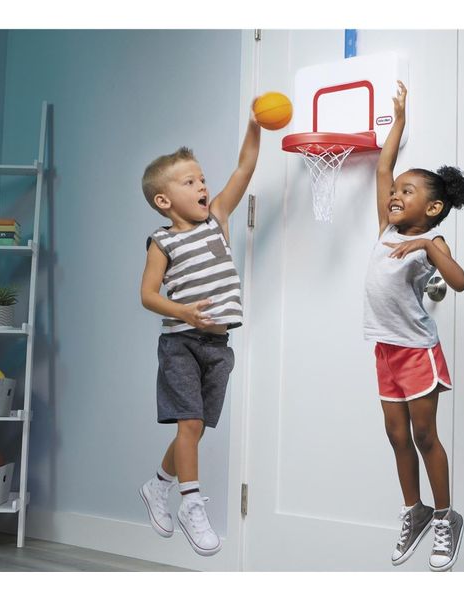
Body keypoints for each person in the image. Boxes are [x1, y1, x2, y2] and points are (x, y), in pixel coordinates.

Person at [138, 107, 260, 556]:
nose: (202, 186)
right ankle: (192, 504)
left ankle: (158, 485)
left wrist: (255, 126)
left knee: (194, 430)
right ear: (164, 201)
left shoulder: (217, 219)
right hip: (181, 344)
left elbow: (244, 167)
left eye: (202, 179)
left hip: (219, 346)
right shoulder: (162, 241)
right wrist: (185, 313)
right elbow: (148, 295)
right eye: (189, 182)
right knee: (188, 424)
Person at [364, 81, 464, 571]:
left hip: (417, 352)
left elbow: (459, 281)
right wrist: (399, 122)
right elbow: (382, 168)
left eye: (407, 192)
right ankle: (416, 510)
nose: (394, 194)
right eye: (395, 191)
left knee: (425, 435)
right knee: (396, 436)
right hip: (386, 349)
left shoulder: (434, 242)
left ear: (431, 209)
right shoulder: (386, 229)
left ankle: (447, 516)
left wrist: (427, 246)